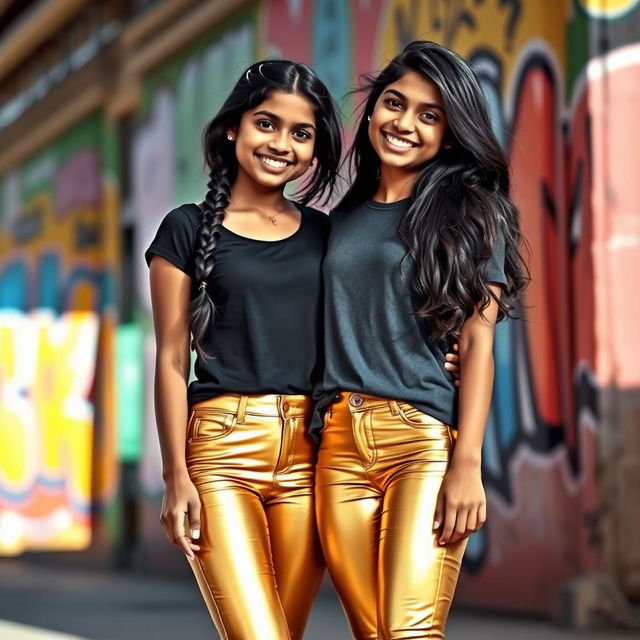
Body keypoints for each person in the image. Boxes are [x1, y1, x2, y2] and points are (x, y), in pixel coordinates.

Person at [313, 40, 528, 639]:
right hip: (336, 448)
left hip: (422, 442)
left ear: (450, 134)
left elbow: (479, 343)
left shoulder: (473, 215)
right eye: (393, 103)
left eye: (428, 115)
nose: (404, 124)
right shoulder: (340, 222)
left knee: (408, 630)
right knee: (371, 631)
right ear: (374, 108)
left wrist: (467, 464)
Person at [145, 59, 341, 640]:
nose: (281, 144)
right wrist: (175, 475)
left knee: (285, 631)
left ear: (314, 149)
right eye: (267, 124)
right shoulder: (184, 228)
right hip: (222, 452)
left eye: (300, 133)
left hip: (313, 452)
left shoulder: (326, 233)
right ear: (234, 127)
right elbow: (171, 359)